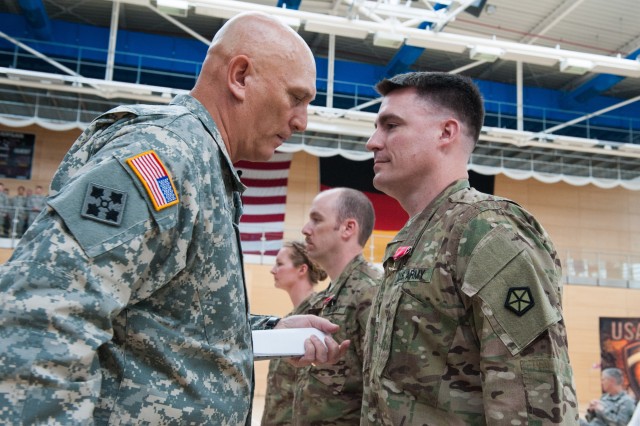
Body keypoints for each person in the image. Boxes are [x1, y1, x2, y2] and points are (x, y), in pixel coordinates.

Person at [0, 12, 349, 425]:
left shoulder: (202, 166)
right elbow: (42, 312)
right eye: (296, 97)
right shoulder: (165, 159)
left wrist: (270, 330)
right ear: (239, 76)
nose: (301, 121)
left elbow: (162, 320)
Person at [361, 71, 579, 424]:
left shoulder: (487, 229)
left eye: (390, 126)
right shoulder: (413, 239)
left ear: (446, 132)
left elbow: (533, 396)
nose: (373, 141)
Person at [263, 187, 381, 425]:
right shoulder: (326, 298)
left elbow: (380, 392)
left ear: (348, 228)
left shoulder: (371, 293)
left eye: (316, 220)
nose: (306, 229)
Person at [261, 240, 328, 425]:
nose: (273, 270)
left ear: (302, 269)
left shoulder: (319, 315)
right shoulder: (291, 319)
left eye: (280, 264)